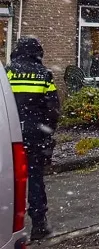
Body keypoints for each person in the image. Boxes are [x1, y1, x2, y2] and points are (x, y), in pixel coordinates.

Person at [6, 37, 59, 241]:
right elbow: (53, 109)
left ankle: (8, 224)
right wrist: (47, 132)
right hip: (35, 134)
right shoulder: (44, 75)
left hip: (9, 133)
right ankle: (39, 224)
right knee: (35, 178)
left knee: (8, 179)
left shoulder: (7, 72)